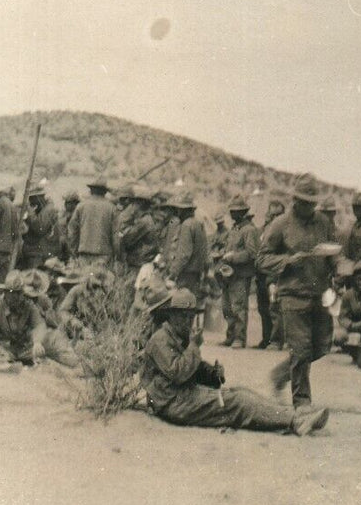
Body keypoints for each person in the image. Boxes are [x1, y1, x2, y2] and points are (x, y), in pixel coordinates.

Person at [142, 288, 330, 436]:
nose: (189, 321)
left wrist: (211, 372)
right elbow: (178, 373)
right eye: (184, 316)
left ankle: (294, 415)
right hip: (172, 403)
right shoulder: (160, 340)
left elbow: (192, 370)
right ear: (172, 315)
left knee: (240, 393)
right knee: (237, 402)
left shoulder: (176, 336)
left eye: (191, 316)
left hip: (181, 397)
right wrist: (194, 346)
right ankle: (294, 421)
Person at [258, 175, 339, 409]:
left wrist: (340, 267)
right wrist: (287, 261)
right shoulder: (280, 224)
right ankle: (302, 403)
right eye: (304, 202)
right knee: (301, 348)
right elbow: (262, 258)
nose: (309, 207)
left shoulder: (324, 222)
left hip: (320, 294)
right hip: (292, 295)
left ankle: (279, 375)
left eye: (312, 202)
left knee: (322, 346)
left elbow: (334, 252)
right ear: (295, 200)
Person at [0, 270, 80, 367]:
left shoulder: (28, 305)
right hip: (1, 347)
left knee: (56, 345)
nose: (17, 297)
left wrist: (37, 342)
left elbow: (39, 324)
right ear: (6, 292)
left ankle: (76, 363)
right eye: (13, 293)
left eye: (20, 293)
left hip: (23, 348)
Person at [218, 195, 260, 347]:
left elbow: (252, 253)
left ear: (242, 212)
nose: (231, 213)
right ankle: (230, 336)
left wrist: (233, 257)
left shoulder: (249, 230)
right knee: (227, 307)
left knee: (239, 307)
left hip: (241, 275)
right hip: (229, 274)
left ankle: (239, 338)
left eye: (234, 211)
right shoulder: (235, 229)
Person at [68, 177, 120, 268]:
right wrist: (117, 255)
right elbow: (116, 235)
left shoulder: (81, 206)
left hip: (83, 255)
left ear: (91, 190)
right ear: (104, 192)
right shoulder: (112, 208)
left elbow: (72, 232)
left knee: (82, 280)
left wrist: (74, 251)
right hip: (104, 256)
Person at [255, 198, 286, 349]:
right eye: (272, 214)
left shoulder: (284, 232)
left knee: (274, 308)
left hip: (274, 274)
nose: (274, 218)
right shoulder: (264, 230)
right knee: (263, 308)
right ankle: (266, 338)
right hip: (261, 274)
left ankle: (276, 340)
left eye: (277, 214)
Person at [163, 193, 210, 295]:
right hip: (196, 272)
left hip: (186, 272)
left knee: (182, 303)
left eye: (178, 209)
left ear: (183, 210)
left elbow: (184, 254)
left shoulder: (186, 225)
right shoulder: (197, 223)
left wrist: (173, 272)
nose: (177, 212)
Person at [117, 185, 160, 279]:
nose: (132, 206)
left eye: (134, 203)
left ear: (140, 203)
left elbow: (126, 238)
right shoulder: (146, 219)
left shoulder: (144, 222)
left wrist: (127, 216)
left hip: (139, 264)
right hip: (140, 263)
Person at [17, 185, 61, 270]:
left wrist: (29, 211)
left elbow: (39, 228)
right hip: (34, 252)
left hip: (40, 254)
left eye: (32, 198)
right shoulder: (40, 210)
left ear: (40, 197)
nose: (30, 201)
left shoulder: (49, 210)